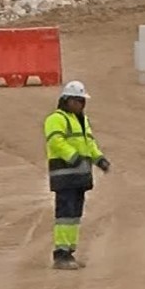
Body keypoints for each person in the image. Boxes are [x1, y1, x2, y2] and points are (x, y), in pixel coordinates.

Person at [44, 80, 108, 270]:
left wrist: (99, 159)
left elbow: (89, 144)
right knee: (65, 214)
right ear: (67, 100)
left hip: (79, 177)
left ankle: (69, 251)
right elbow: (56, 142)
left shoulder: (82, 120)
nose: (81, 104)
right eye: (78, 100)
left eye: (82, 101)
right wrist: (73, 157)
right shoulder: (56, 119)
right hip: (64, 175)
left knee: (74, 216)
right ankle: (61, 254)